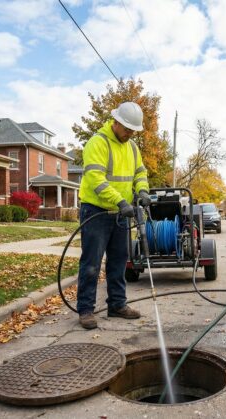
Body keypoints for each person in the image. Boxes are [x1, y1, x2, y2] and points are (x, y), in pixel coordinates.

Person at [76, 101, 152, 329]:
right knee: (91, 263)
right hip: (96, 212)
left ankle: (117, 304)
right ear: (116, 122)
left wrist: (143, 191)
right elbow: (96, 180)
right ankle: (86, 310)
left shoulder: (132, 147)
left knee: (119, 261)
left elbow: (140, 172)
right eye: (127, 129)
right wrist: (119, 201)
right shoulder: (97, 143)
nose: (130, 134)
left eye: (133, 130)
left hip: (121, 213)